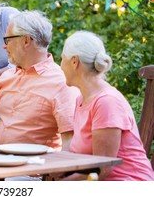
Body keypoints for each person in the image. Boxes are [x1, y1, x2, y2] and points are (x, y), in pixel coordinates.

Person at [59, 31, 154, 180]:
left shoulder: (107, 102)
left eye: (62, 59)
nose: (60, 66)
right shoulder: (81, 100)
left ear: (74, 61)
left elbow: (102, 169)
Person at [0, 10, 79, 151]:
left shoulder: (61, 82)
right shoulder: (8, 76)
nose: (4, 46)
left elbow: (70, 141)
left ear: (26, 41)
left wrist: (56, 172)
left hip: (34, 169)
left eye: (8, 40)